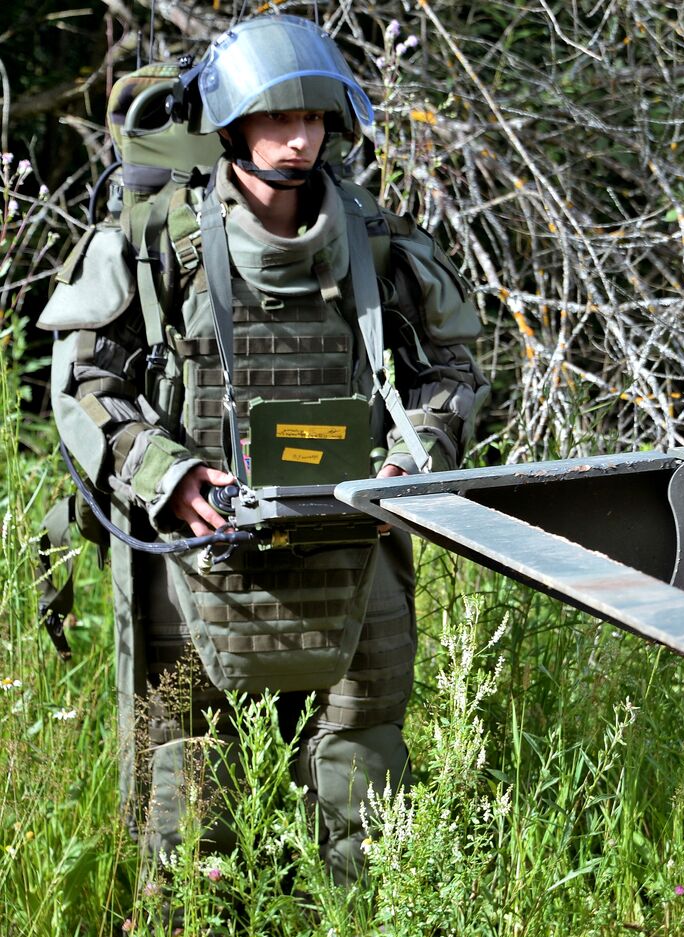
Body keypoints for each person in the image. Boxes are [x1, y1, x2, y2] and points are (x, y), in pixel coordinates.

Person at [41, 14, 488, 884]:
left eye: (316, 120)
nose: (299, 139)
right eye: (278, 120)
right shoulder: (151, 244)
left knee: (365, 767)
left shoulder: (377, 242)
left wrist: (412, 457)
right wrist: (166, 474)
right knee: (187, 777)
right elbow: (87, 385)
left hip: (352, 536)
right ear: (230, 126)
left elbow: (453, 371)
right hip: (197, 542)